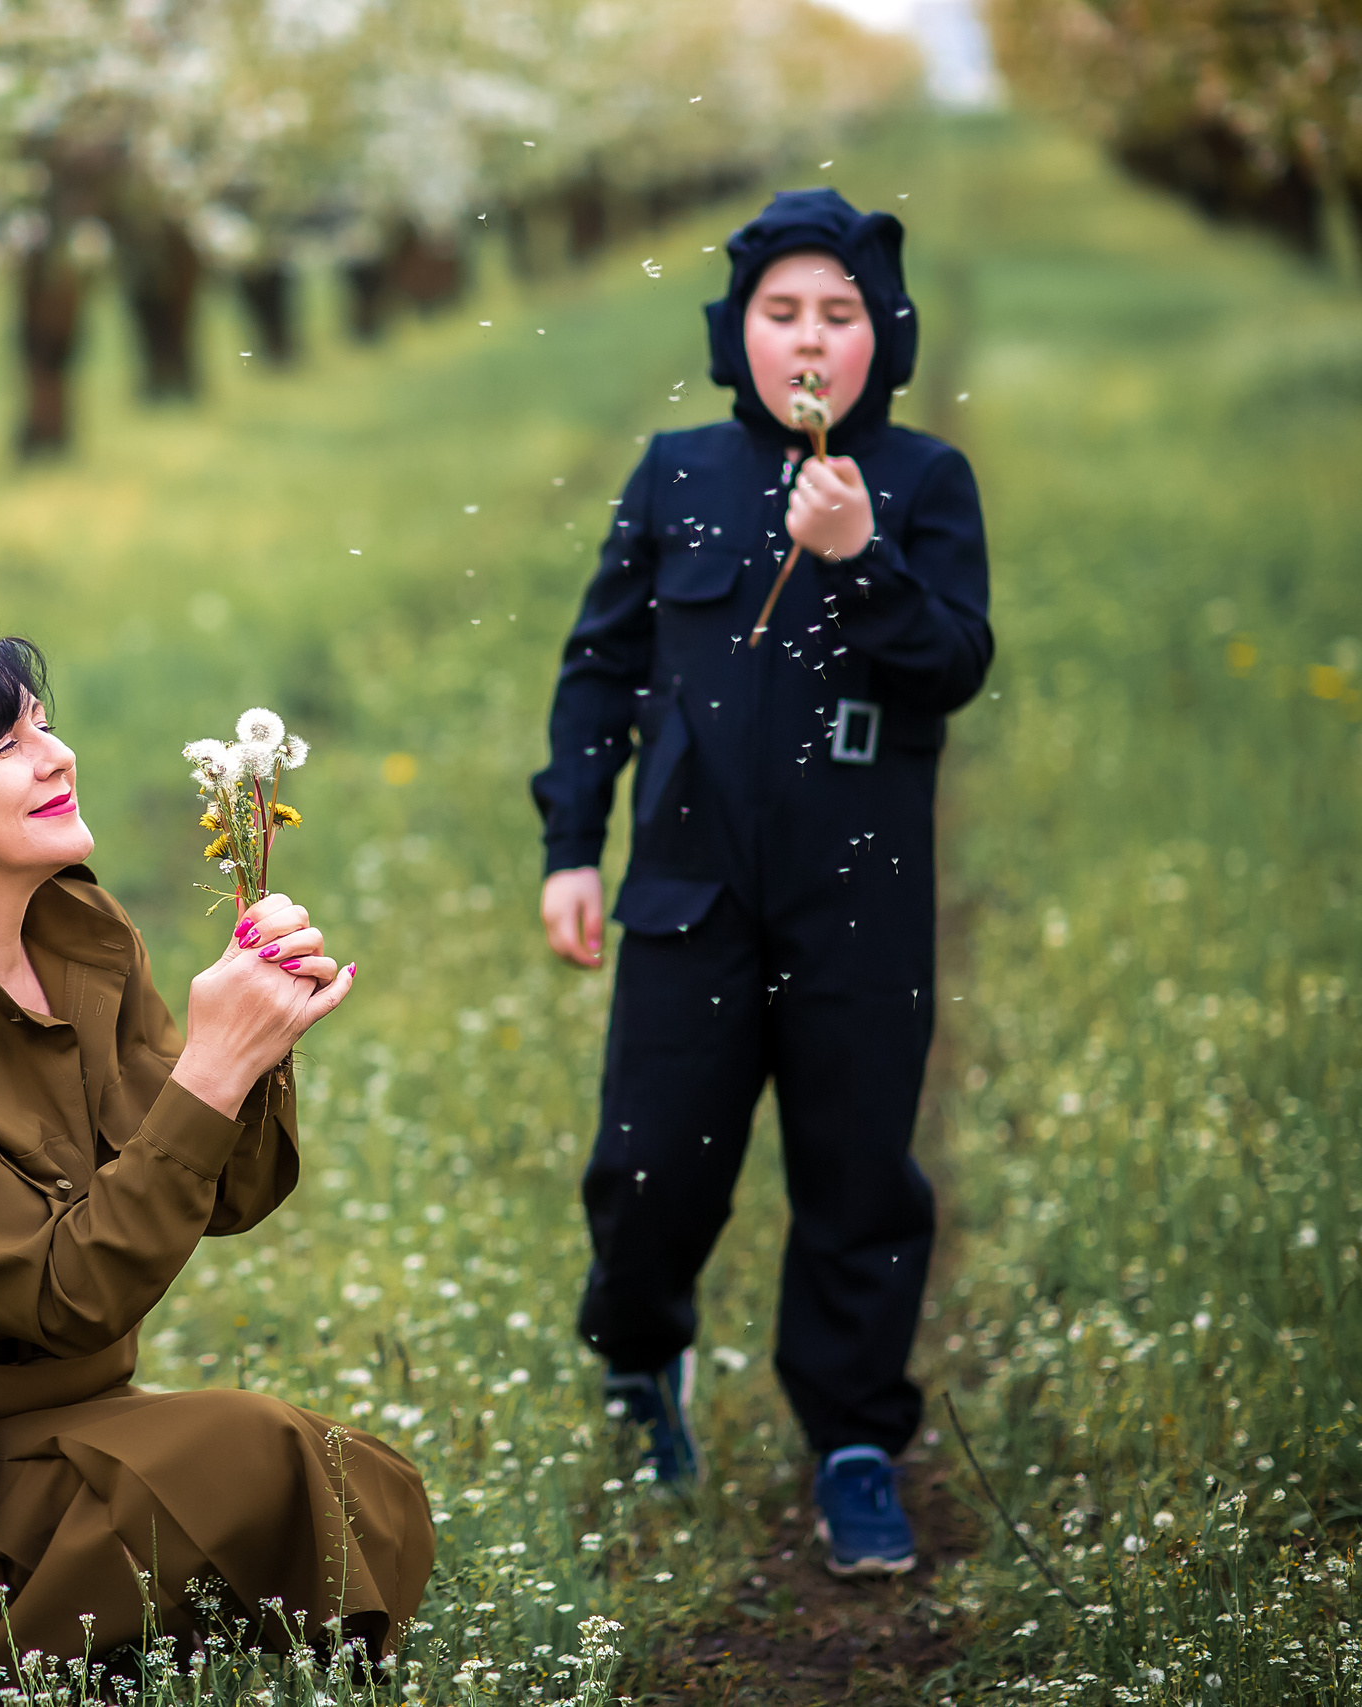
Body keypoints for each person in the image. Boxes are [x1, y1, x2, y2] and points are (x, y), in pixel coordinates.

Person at [0, 593, 433, 1677]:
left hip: (67, 1419)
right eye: (7, 744)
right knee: (263, 1460)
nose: (56, 756)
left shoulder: (77, 928)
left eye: (41, 722)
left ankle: (112, 1651)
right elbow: (68, 1295)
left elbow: (226, 1196)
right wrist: (211, 1067)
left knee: (355, 1479)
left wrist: (253, 1044)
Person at [530, 190, 992, 1576]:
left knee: (857, 1176)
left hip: (861, 905)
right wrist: (572, 843)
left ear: (881, 337)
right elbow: (599, 668)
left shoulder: (921, 483)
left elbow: (955, 664)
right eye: (781, 312)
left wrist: (861, 559)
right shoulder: (677, 472)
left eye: (838, 316)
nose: (808, 339)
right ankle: (637, 1352)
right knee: (652, 1161)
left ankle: (855, 1440)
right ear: (737, 332)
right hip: (687, 896)